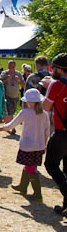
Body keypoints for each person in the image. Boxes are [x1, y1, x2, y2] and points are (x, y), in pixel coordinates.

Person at [0, 88, 50, 202]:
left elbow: (11, 125)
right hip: (39, 145)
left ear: (29, 101)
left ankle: (37, 194)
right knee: (31, 165)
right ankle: (22, 186)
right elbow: (47, 132)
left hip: (27, 145)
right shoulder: (44, 114)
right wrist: (44, 145)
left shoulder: (25, 112)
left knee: (30, 167)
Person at [41, 53, 67, 215]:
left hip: (61, 133)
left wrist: (46, 89)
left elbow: (45, 107)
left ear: (59, 69)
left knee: (51, 165)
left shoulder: (56, 85)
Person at [0, 60, 25, 135]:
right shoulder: (4, 73)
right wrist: (7, 79)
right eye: (10, 66)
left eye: (12, 66)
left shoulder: (18, 73)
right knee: (10, 112)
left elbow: (23, 84)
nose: (11, 67)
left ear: (15, 66)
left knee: (12, 112)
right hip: (7, 95)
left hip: (15, 96)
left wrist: (18, 80)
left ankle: (7, 126)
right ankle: (12, 128)